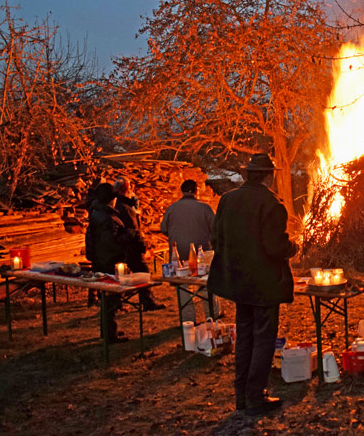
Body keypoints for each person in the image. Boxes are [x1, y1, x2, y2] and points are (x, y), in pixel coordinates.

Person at [207, 153, 298, 416]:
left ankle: (241, 396)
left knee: (245, 336)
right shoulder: (271, 204)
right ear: (269, 176)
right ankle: (255, 396)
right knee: (263, 339)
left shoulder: (227, 199)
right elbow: (275, 247)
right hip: (263, 285)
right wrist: (293, 246)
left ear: (248, 175)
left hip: (236, 282)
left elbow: (215, 239)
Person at [160, 179, 220, 321]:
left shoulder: (171, 208)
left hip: (179, 255)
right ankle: (213, 315)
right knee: (207, 285)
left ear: (182, 191)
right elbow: (216, 228)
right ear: (196, 191)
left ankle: (188, 318)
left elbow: (163, 229)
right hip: (202, 253)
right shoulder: (205, 208)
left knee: (183, 288)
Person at [84, 182, 132, 343]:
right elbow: (111, 242)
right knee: (110, 300)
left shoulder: (96, 212)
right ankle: (110, 335)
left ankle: (108, 331)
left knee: (107, 299)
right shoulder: (107, 217)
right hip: (108, 260)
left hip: (99, 259)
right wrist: (129, 236)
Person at [113, 177, 165, 311]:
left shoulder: (114, 206)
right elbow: (134, 231)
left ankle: (117, 303)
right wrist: (144, 248)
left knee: (120, 276)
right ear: (124, 191)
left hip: (119, 247)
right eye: (129, 189)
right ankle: (147, 302)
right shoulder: (126, 209)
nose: (132, 191)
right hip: (131, 248)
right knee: (143, 274)